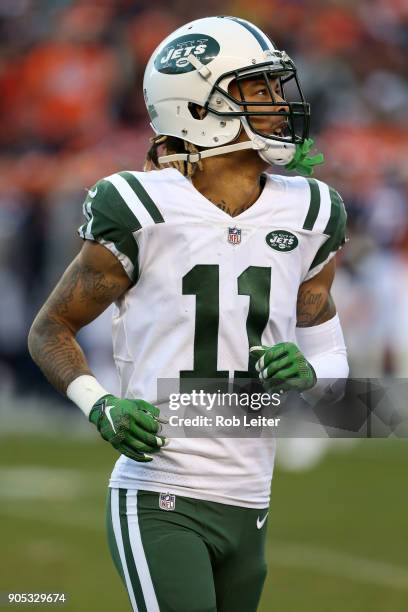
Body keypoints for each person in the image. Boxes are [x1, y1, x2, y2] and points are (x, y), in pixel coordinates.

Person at [28, 16, 349, 612]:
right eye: (258, 90)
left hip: (252, 497)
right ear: (197, 107)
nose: (280, 104)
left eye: (277, 88)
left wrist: (309, 375)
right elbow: (50, 328)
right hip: (160, 495)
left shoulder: (311, 212)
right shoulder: (142, 206)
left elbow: (332, 358)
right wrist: (99, 403)